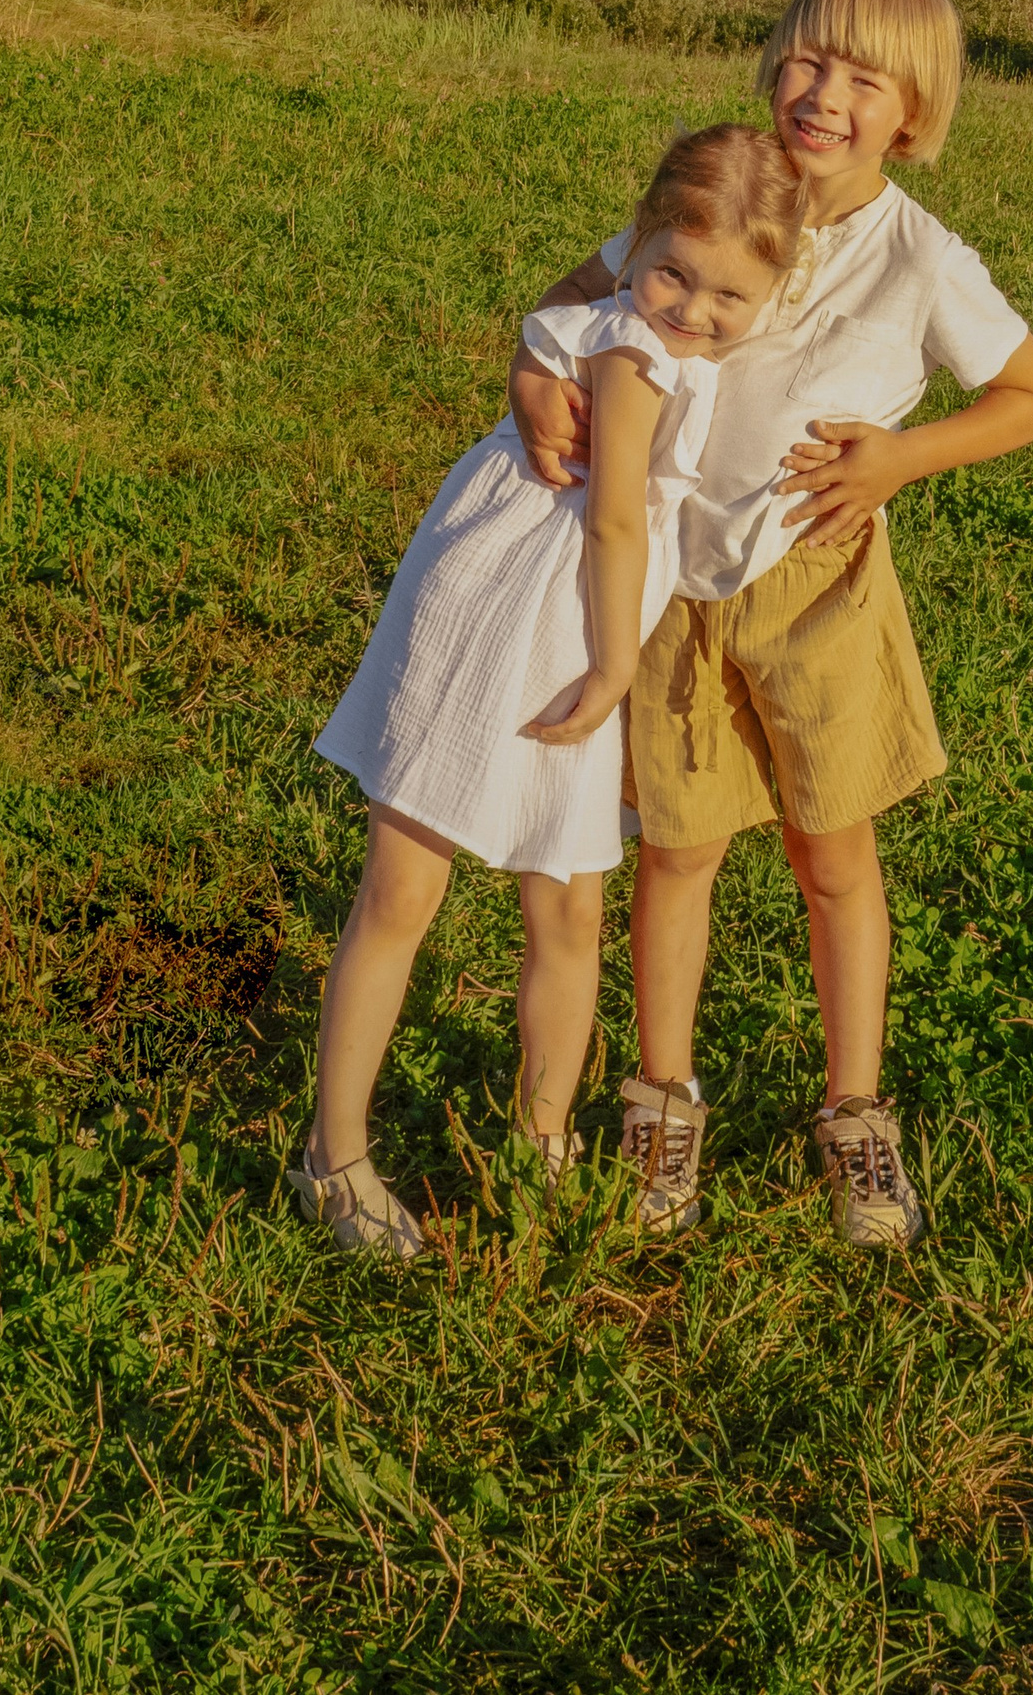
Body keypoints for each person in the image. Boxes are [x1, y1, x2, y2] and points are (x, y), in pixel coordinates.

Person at [508, 0, 1033, 1253]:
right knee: (678, 849)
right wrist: (540, 383)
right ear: (775, 64)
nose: (826, 94)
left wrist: (899, 458)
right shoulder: (725, 194)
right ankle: (661, 1098)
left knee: (836, 856)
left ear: (912, 115)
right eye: (811, 59)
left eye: (867, 80)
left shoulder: (923, 258)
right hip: (670, 582)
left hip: (820, 585)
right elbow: (566, 305)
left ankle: (857, 1112)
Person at [293, 123, 805, 1260]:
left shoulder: (699, 340)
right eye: (672, 270)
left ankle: (541, 1140)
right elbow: (617, 514)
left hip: (581, 609)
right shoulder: (634, 352)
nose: (693, 306)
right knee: (402, 886)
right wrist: (618, 663)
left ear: (776, 283)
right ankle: (333, 1155)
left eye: (730, 290)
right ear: (634, 248)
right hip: (516, 604)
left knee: (569, 905)